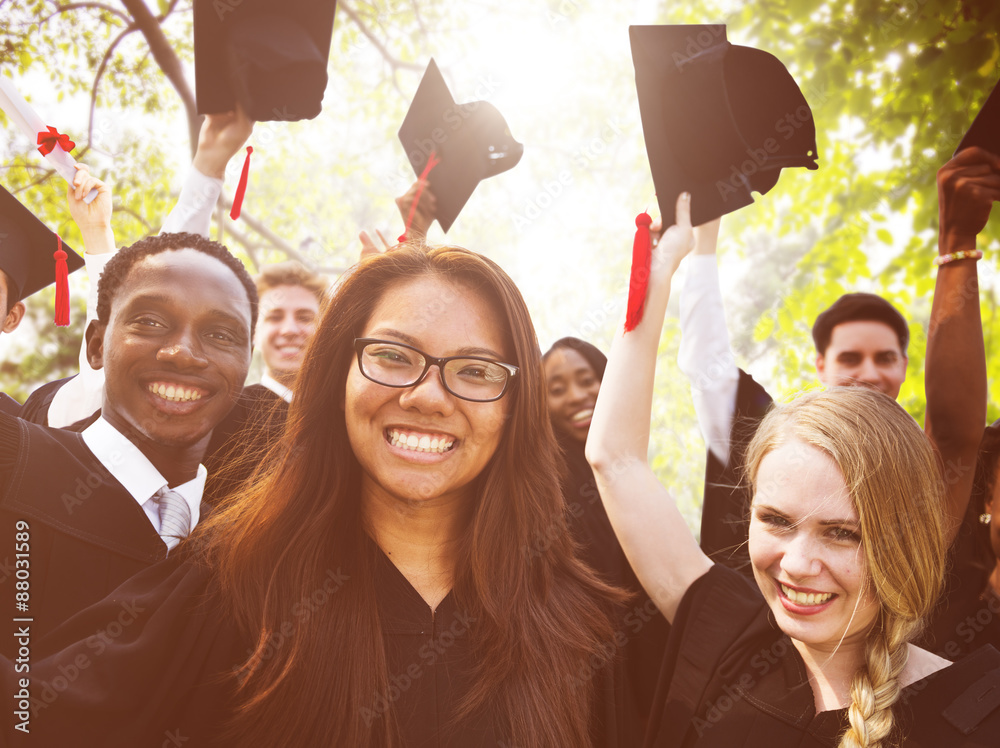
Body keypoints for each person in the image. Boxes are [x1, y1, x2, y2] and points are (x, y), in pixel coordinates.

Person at [9, 243, 625, 748]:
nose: (429, 395)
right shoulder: (237, 584)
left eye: (476, 370)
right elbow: (35, 716)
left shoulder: (581, 625)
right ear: (336, 378)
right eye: (392, 355)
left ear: (516, 407)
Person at [587, 191, 1000, 747]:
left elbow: (954, 437)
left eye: (842, 533)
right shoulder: (729, 636)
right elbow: (614, 458)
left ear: (906, 539)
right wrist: (661, 269)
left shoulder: (973, 714)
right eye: (777, 521)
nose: (799, 565)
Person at [680, 147, 993, 574]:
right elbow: (708, 366)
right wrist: (703, 240)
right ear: (820, 366)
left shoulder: (917, 474)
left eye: (883, 358)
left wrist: (957, 244)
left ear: (904, 366)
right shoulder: (768, 439)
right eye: (850, 357)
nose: (868, 374)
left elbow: (956, 436)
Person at [0, 231, 256, 655]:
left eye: (221, 334)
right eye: (150, 322)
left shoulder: (245, 554)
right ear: (96, 346)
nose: (184, 354)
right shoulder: (13, 465)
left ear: (247, 361)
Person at [543, 336, 669, 742]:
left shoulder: (632, 471)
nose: (577, 396)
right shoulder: (545, 490)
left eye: (587, 379)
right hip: (588, 663)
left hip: (655, 649)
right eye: (556, 390)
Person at [253, 260, 327, 401]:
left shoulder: (348, 413)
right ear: (254, 333)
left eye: (305, 318)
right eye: (274, 317)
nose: (289, 330)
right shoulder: (226, 415)